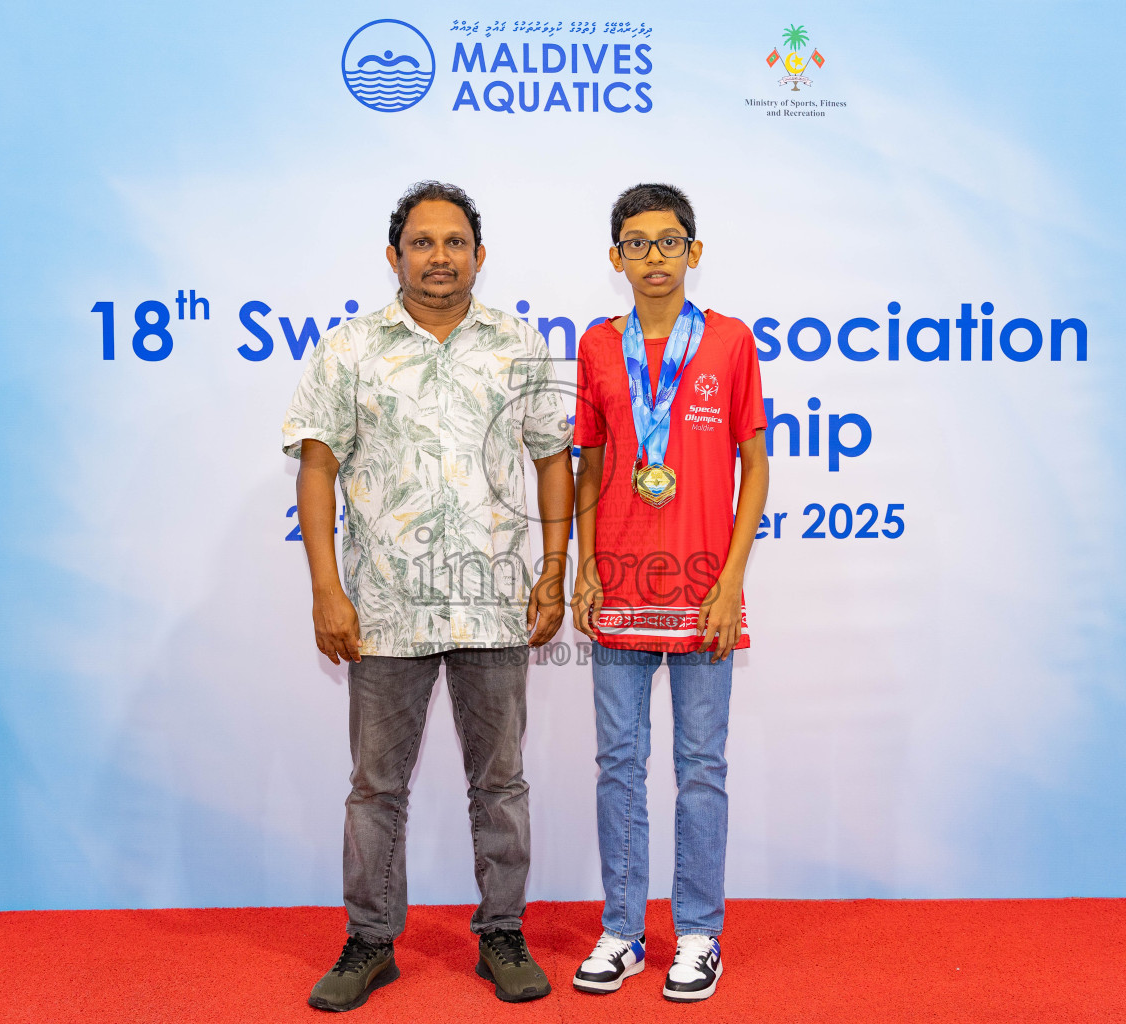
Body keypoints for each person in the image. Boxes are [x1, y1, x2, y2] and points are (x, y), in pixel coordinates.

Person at [282, 181, 574, 1012]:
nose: (438, 256)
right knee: (376, 787)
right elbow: (317, 467)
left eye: (454, 242)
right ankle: (370, 943)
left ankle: (502, 934)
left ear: (479, 255)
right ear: (394, 255)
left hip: (493, 601)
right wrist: (326, 589)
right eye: (422, 242)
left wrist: (554, 570)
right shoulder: (349, 349)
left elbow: (553, 458)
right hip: (384, 608)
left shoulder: (519, 344)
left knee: (501, 784)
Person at [569, 183, 770, 1002]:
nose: (654, 256)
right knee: (619, 764)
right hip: (620, 583)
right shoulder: (596, 346)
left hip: (703, 588)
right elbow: (589, 465)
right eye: (637, 242)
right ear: (615, 257)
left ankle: (697, 935)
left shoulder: (729, 342)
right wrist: (584, 566)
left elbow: (755, 467)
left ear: (695, 250)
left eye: (669, 240)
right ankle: (621, 931)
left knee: (700, 767)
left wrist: (732, 582)